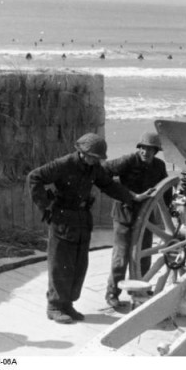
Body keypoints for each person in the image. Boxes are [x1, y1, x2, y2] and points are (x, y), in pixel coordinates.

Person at [27, 133, 153, 323]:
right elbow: (34, 177)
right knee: (60, 264)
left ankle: (68, 305)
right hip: (62, 219)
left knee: (79, 265)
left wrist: (131, 197)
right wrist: (44, 205)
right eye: (93, 156)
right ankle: (54, 306)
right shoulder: (64, 164)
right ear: (81, 152)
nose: (95, 160)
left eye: (97, 158)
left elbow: (108, 185)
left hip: (82, 219)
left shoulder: (93, 167)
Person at [102, 131, 169, 308]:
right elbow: (104, 172)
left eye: (150, 149)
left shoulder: (159, 166)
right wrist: (126, 194)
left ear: (156, 151)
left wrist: (169, 213)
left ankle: (140, 289)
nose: (145, 152)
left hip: (145, 216)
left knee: (143, 255)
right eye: (143, 148)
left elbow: (166, 190)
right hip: (124, 214)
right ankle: (112, 293)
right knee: (120, 257)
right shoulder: (127, 161)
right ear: (139, 148)